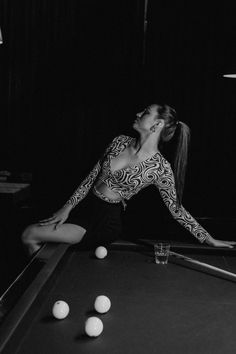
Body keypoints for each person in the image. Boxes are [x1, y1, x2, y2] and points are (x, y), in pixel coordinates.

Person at [22, 104, 236, 255]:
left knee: (30, 234)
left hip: (104, 222)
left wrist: (209, 239)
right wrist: (67, 208)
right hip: (84, 209)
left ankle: (39, 286)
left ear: (157, 124)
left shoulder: (160, 168)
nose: (138, 113)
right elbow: (92, 177)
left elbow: (177, 210)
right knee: (36, 239)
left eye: (146, 112)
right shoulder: (119, 141)